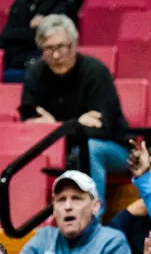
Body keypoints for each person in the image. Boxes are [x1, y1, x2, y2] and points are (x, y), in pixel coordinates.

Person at [19, 14, 130, 205]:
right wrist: (76, 125)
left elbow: (102, 128)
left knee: (89, 148)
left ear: (74, 44)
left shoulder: (95, 72)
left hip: (113, 147)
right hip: (60, 149)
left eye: (61, 47)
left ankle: (92, 216)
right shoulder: (35, 74)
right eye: (48, 49)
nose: (55, 55)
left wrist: (55, 127)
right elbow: (29, 122)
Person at [0, 0, 83, 82]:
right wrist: (33, 29)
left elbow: (53, 38)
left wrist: (22, 33)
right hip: (16, 63)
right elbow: (5, 37)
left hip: (49, 65)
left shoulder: (65, 0)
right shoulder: (19, 4)